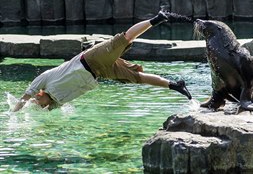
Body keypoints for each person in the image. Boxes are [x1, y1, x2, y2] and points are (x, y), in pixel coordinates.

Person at [13, 10, 192, 112]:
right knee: (137, 77)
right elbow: (49, 109)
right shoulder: (57, 102)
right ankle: (176, 85)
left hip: (91, 59)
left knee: (125, 38)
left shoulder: (44, 80)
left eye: (37, 103)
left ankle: (157, 19)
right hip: (100, 72)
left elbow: (24, 98)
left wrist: (12, 113)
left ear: (39, 95)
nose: (38, 106)